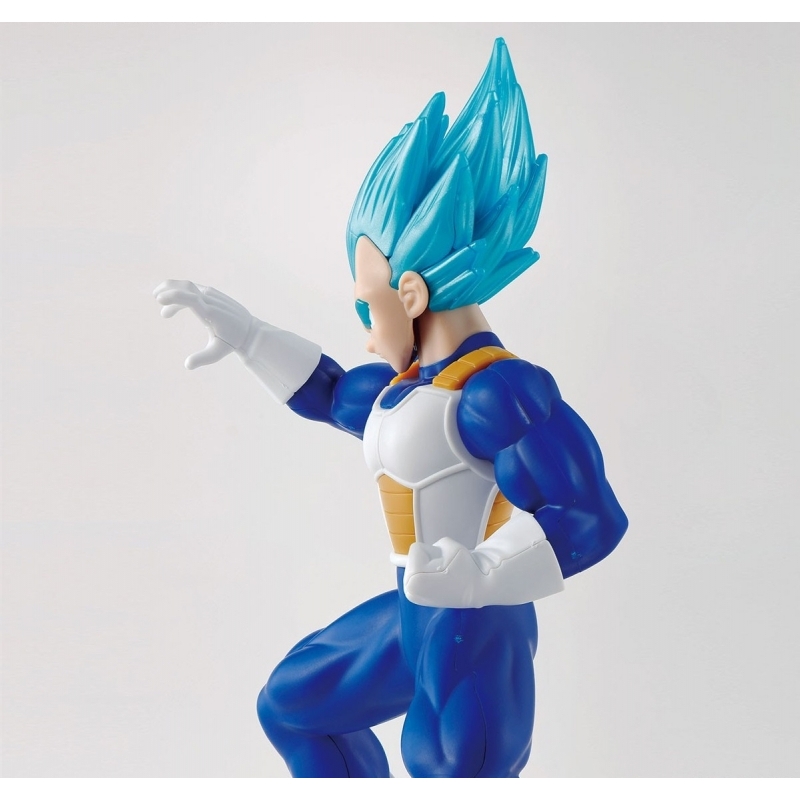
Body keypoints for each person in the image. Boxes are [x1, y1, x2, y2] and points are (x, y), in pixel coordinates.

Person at [154, 38, 627, 778]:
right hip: (411, 613)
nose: (366, 328)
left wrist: (483, 574)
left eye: (365, 303)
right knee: (293, 705)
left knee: (453, 768)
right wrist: (250, 337)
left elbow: (591, 518)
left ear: (409, 294)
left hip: (478, 630)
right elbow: (332, 393)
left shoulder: (502, 392)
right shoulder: (405, 387)